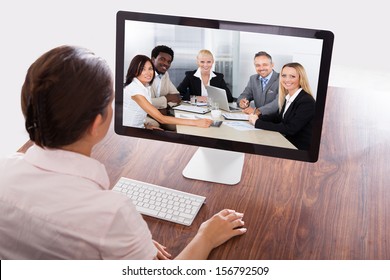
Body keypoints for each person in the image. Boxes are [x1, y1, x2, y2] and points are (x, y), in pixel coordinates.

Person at [0, 45, 247, 260]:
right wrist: (206, 236)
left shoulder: (6, 169)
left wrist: (128, 245)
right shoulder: (112, 214)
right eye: (111, 101)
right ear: (97, 123)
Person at [123, 54, 213, 129]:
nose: (148, 73)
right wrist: (196, 122)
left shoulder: (144, 86)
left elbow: (136, 111)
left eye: (150, 69)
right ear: (135, 71)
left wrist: (146, 125)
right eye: (143, 69)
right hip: (130, 132)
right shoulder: (135, 90)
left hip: (140, 128)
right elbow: (161, 119)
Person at [248, 62, 315, 150]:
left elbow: (290, 129)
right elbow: (278, 118)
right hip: (286, 141)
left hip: (298, 148)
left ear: (301, 79)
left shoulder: (306, 101)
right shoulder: (289, 97)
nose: (287, 80)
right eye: (284, 76)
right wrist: (258, 116)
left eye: (292, 76)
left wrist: (258, 123)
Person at [236, 51, 279, 116]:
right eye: (258, 65)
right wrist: (242, 102)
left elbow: (278, 102)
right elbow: (245, 94)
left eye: (265, 65)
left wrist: (257, 111)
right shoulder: (253, 79)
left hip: (275, 120)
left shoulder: (281, 79)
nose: (261, 68)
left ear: (272, 65)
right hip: (257, 118)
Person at [150, 45, 181, 111]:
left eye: (169, 62)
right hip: (144, 116)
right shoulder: (144, 75)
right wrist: (166, 98)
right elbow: (144, 102)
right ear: (153, 60)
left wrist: (167, 107)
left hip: (161, 114)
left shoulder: (165, 75)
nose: (166, 64)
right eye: (162, 59)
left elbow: (177, 96)